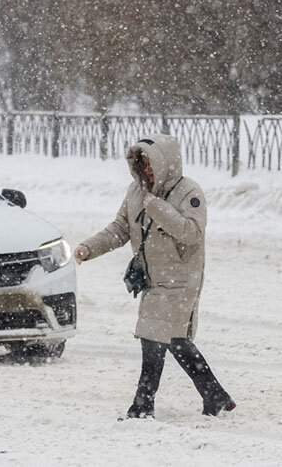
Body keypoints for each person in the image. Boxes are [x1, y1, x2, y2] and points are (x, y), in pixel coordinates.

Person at [74, 133, 235, 418]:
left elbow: (192, 232)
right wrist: (89, 248)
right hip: (153, 278)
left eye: (150, 164)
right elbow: (119, 229)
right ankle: (215, 395)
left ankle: (142, 405)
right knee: (174, 339)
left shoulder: (189, 192)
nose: (146, 171)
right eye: (141, 164)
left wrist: (156, 207)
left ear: (165, 163)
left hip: (180, 278)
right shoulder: (135, 191)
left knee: (152, 337)